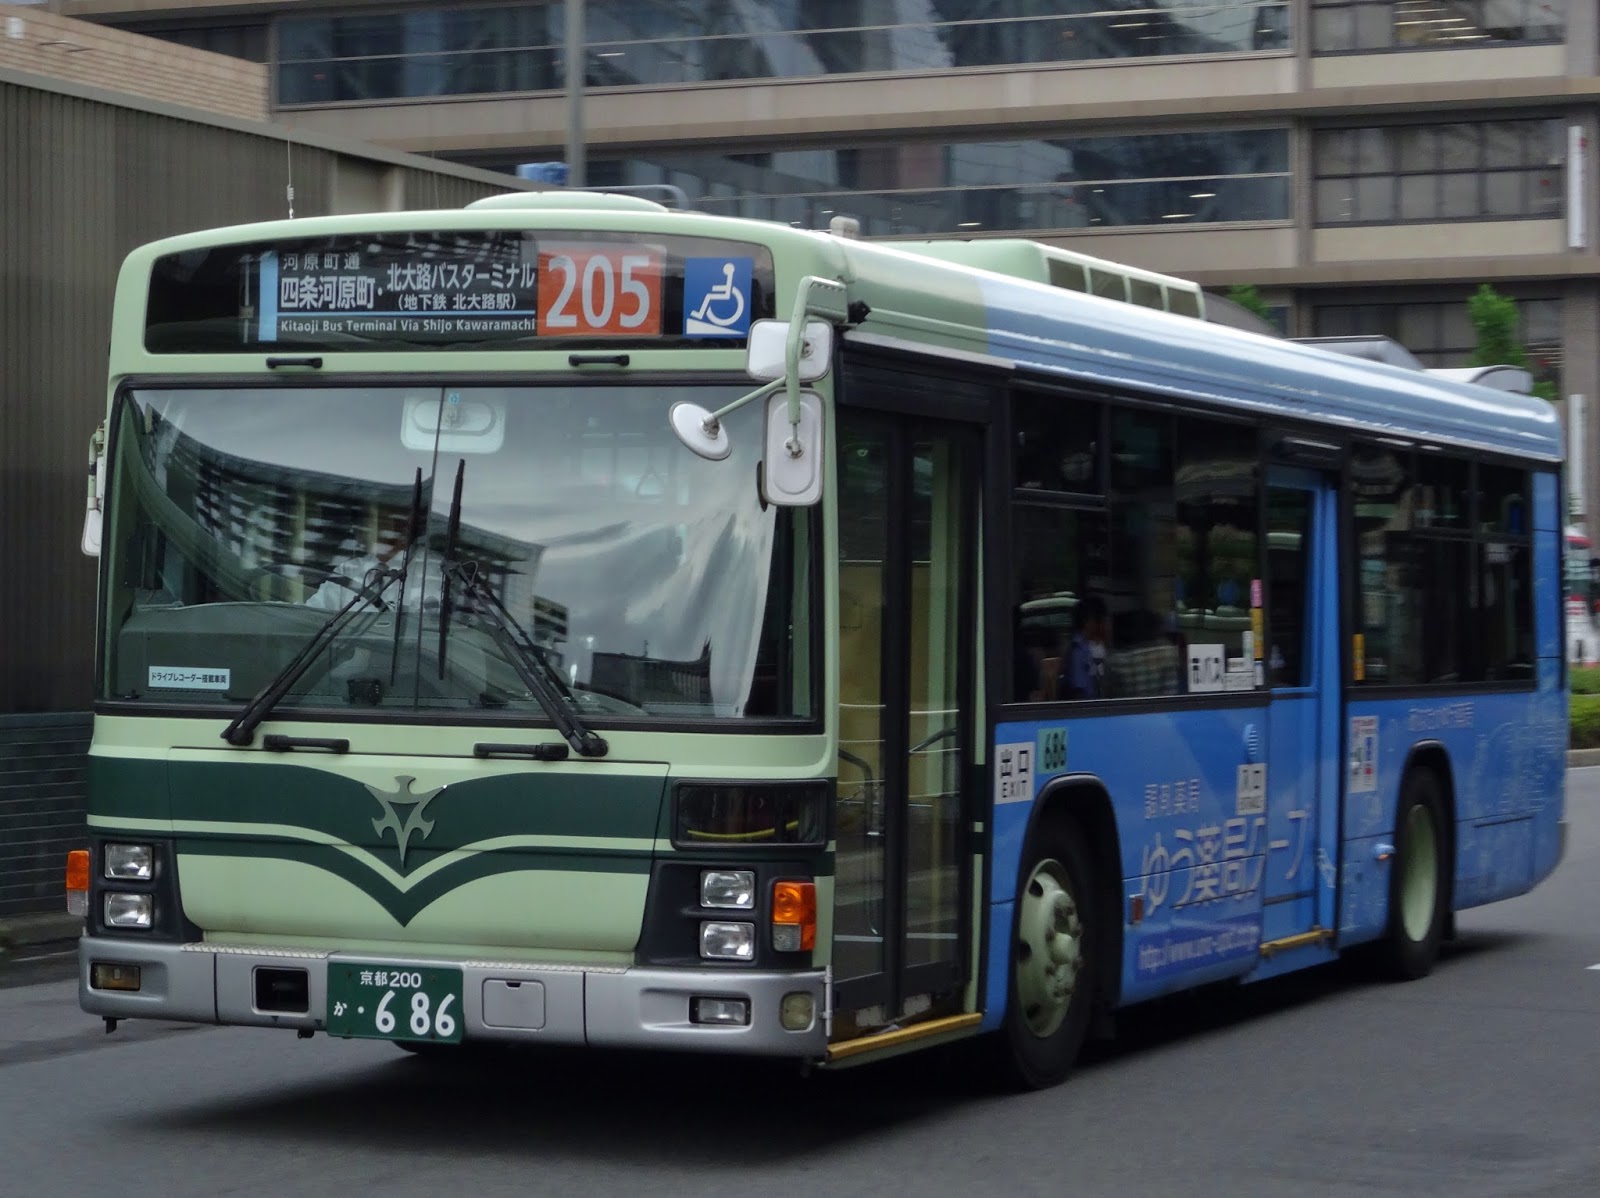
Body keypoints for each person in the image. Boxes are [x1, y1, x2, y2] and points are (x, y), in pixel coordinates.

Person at [1060, 593, 1109, 699]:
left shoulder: (1095, 646)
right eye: (1101, 620)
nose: (1104, 625)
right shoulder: (1078, 651)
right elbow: (1080, 689)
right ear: (1089, 621)